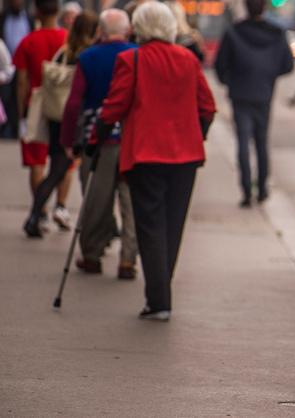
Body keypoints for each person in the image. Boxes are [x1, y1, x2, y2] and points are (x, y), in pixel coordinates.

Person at [96, 1, 216, 321]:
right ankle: (162, 290)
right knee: (173, 226)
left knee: (150, 226)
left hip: (145, 155)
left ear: (139, 26)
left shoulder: (131, 59)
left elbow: (114, 106)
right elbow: (207, 107)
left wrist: (95, 138)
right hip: (186, 157)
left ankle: (158, 299)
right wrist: (196, 134)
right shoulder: (188, 59)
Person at [60, 8, 138, 279]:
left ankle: (92, 255)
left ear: (100, 32)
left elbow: (73, 104)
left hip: (98, 137)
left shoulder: (88, 57)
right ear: (128, 30)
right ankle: (128, 259)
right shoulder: (137, 55)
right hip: (131, 138)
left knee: (95, 198)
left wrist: (69, 139)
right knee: (130, 201)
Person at [21, 10, 99, 237]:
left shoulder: (63, 52)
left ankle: (37, 214)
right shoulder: (88, 56)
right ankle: (35, 215)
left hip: (57, 117)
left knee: (56, 167)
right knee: (59, 170)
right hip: (75, 120)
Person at [214, 0, 293, 207]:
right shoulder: (277, 33)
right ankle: (263, 188)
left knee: (242, 142)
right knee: (261, 142)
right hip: (264, 93)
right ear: (265, 8)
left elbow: (220, 65)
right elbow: (288, 64)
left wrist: (229, 81)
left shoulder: (233, 32)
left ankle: (247, 189)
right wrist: (268, 75)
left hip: (240, 93)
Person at [0, 0, 33, 139]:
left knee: (22, 96)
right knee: (6, 98)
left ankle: (19, 126)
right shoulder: (3, 18)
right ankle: (5, 130)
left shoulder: (29, 19)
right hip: (7, 65)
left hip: (23, 66)